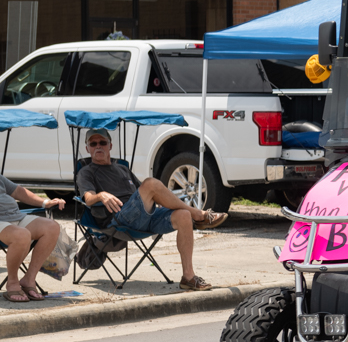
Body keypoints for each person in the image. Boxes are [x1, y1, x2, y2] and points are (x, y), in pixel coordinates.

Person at [77, 128, 228, 291]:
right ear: (87, 148)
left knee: (183, 215)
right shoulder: (86, 172)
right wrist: (101, 195)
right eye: (93, 144)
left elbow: (141, 192)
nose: (98, 146)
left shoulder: (122, 168)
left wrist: (162, 201)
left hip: (143, 216)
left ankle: (188, 278)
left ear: (110, 145)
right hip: (120, 220)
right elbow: (88, 198)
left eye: (102, 142)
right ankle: (199, 214)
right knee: (150, 183)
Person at [1, 180, 66, 302]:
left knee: (51, 227)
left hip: (16, 216)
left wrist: (45, 202)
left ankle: (29, 279)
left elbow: (18, 191)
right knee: (22, 234)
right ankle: (12, 282)